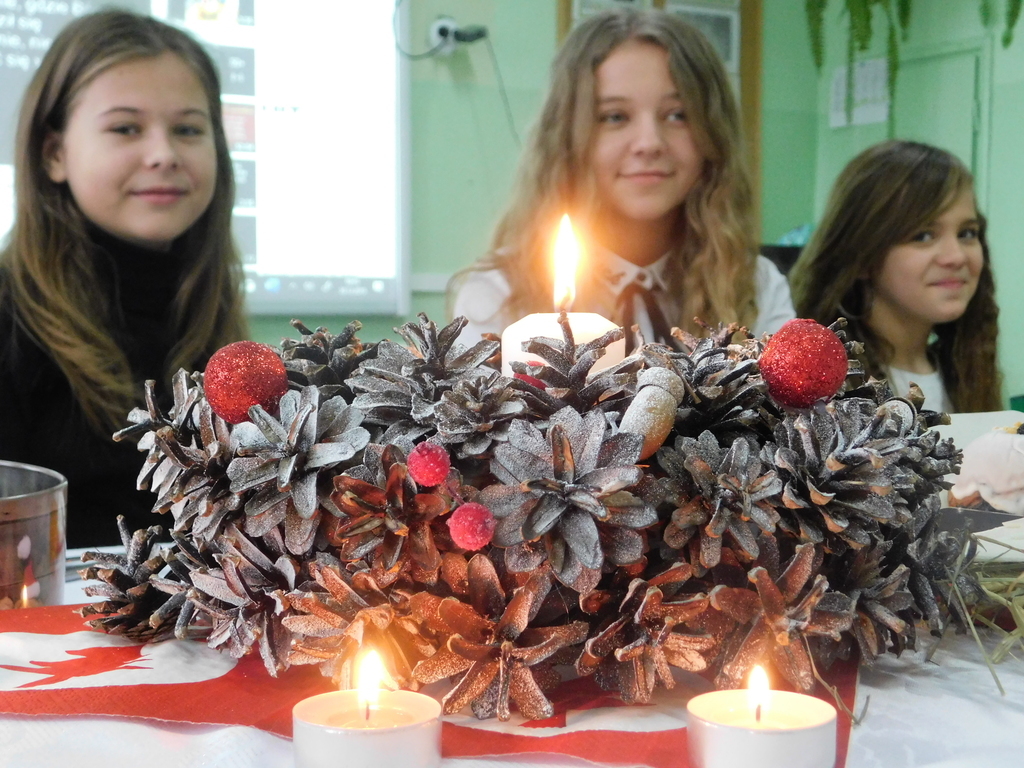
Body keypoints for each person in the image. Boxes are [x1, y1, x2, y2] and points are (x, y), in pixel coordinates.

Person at [0, 10, 248, 547]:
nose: (164, 154)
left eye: (188, 129)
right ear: (54, 153)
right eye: (125, 128)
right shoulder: (10, 317)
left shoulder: (211, 313)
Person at [448, 8, 794, 353]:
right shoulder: (497, 295)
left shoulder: (755, 286)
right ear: (567, 137)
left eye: (678, 115)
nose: (649, 143)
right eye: (615, 117)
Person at [790, 140, 1001, 413]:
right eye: (923, 236)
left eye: (967, 233)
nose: (957, 256)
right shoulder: (817, 386)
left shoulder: (967, 374)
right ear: (862, 256)